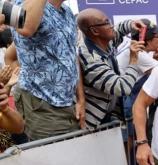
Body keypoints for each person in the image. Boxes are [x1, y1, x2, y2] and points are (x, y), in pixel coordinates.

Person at [12, 0, 86, 140]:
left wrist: (81, 100)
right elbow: (25, 27)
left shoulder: (67, 11)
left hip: (68, 103)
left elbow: (70, 55)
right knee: (53, 158)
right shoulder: (21, 4)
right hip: (42, 102)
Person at [77, 11, 146, 129]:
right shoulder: (91, 60)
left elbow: (118, 31)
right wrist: (133, 59)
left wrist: (131, 24)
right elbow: (123, 88)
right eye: (107, 23)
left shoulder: (101, 41)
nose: (112, 25)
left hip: (108, 114)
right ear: (95, 31)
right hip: (94, 122)